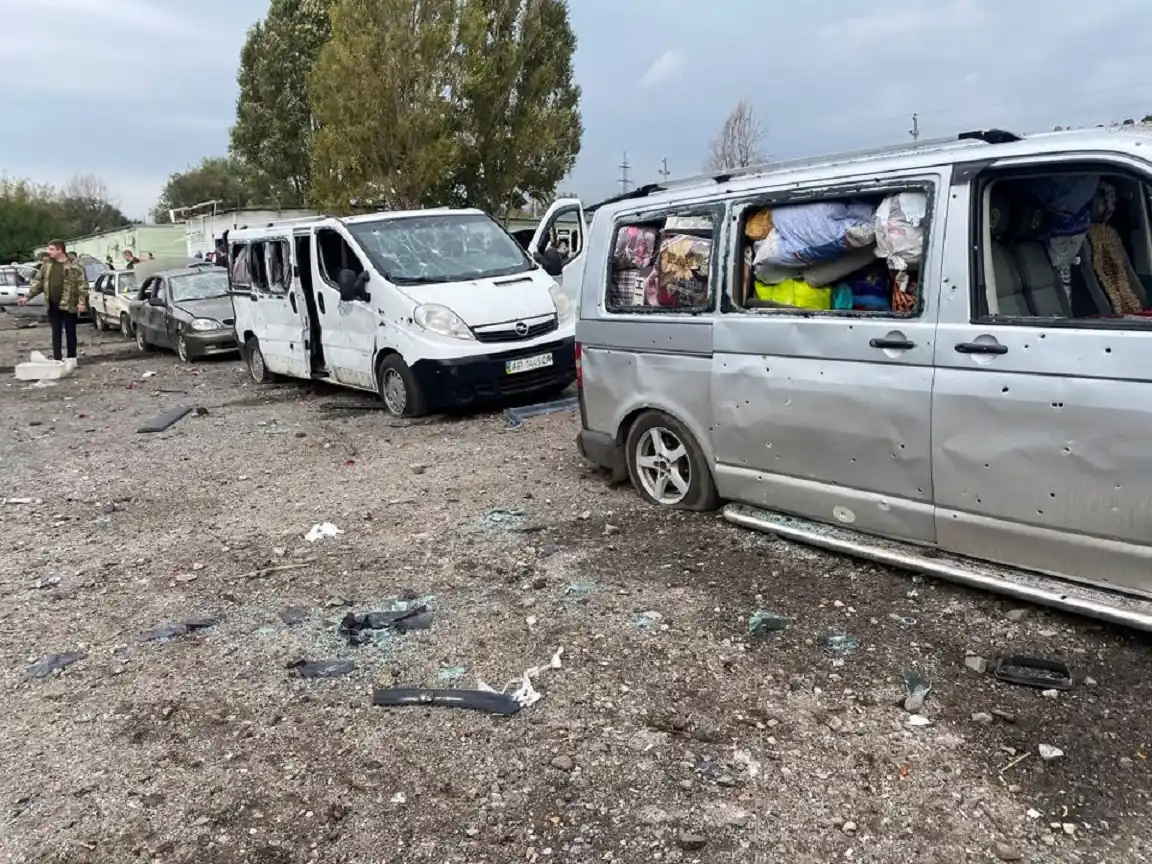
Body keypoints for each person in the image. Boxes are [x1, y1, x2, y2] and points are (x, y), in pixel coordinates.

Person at [19, 239, 87, 363]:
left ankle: (72, 358)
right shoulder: (47, 265)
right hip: (52, 304)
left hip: (69, 304)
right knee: (56, 332)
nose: (49, 252)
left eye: (51, 249)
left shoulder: (75, 265)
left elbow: (82, 285)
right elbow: (38, 283)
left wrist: (81, 302)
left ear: (60, 250)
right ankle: (57, 358)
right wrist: (27, 296)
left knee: (70, 332)